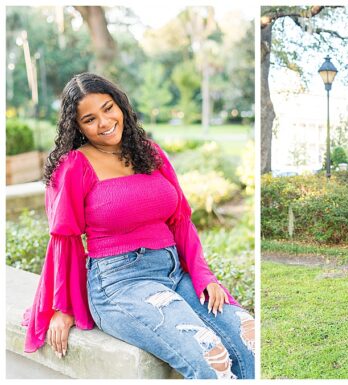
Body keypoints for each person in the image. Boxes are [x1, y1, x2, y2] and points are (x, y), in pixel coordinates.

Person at [22, 73, 255, 379]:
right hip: (120, 284)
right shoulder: (75, 166)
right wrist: (63, 308)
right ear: (76, 126)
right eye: (90, 119)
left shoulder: (149, 152)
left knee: (251, 341)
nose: (104, 122)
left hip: (176, 274)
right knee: (210, 357)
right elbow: (65, 240)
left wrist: (203, 275)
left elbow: (180, 220)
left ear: (120, 105)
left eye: (108, 108)